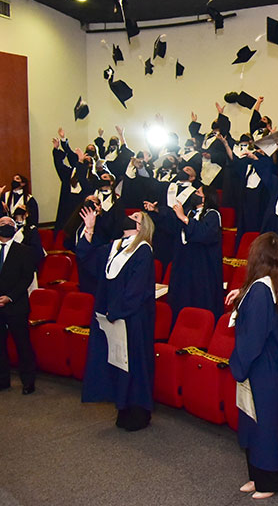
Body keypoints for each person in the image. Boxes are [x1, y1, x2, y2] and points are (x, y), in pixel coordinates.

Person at [77, 208, 156, 431]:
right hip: (115, 315)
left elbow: (137, 290)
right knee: (118, 362)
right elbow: (89, 261)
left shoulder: (143, 251)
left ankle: (138, 412)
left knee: (134, 364)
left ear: (141, 227)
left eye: (135, 218)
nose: (129, 218)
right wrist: (90, 229)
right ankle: (123, 408)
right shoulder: (115, 247)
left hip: (133, 318)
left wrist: (117, 312)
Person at [225, 232, 278, 499]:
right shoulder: (264, 285)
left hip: (264, 368)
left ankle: (270, 481)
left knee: (266, 426)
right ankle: (256, 476)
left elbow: (253, 339)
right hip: (262, 366)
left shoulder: (263, 290)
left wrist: (237, 364)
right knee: (253, 422)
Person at [145, 185, 224, 321]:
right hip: (185, 264)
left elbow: (205, 234)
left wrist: (184, 218)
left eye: (198, 192)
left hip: (202, 269)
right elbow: (173, 225)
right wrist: (157, 210)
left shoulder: (213, 215)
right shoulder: (190, 213)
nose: (194, 194)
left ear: (205, 198)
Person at [0, 216, 37, 394]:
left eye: (10, 224)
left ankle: (28, 382)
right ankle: (2, 380)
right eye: (2, 224)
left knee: (23, 345)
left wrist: (9, 297)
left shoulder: (24, 251)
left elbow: (26, 278)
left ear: (15, 229)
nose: (6, 227)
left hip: (16, 305)